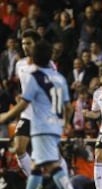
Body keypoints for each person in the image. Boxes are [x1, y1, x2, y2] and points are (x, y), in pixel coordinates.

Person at [0, 40, 85, 189]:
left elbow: (24, 104)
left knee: (52, 166)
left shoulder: (34, 77)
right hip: (54, 126)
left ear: (35, 56)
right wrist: (65, 123)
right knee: (37, 167)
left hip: (41, 125)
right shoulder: (59, 78)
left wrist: (5, 117)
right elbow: (68, 107)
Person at [14, 29, 69, 177]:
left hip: (43, 114)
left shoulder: (48, 64)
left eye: (29, 43)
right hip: (27, 113)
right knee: (19, 148)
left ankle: (65, 178)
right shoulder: (19, 64)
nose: (25, 46)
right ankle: (34, 181)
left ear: (37, 44)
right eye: (23, 43)